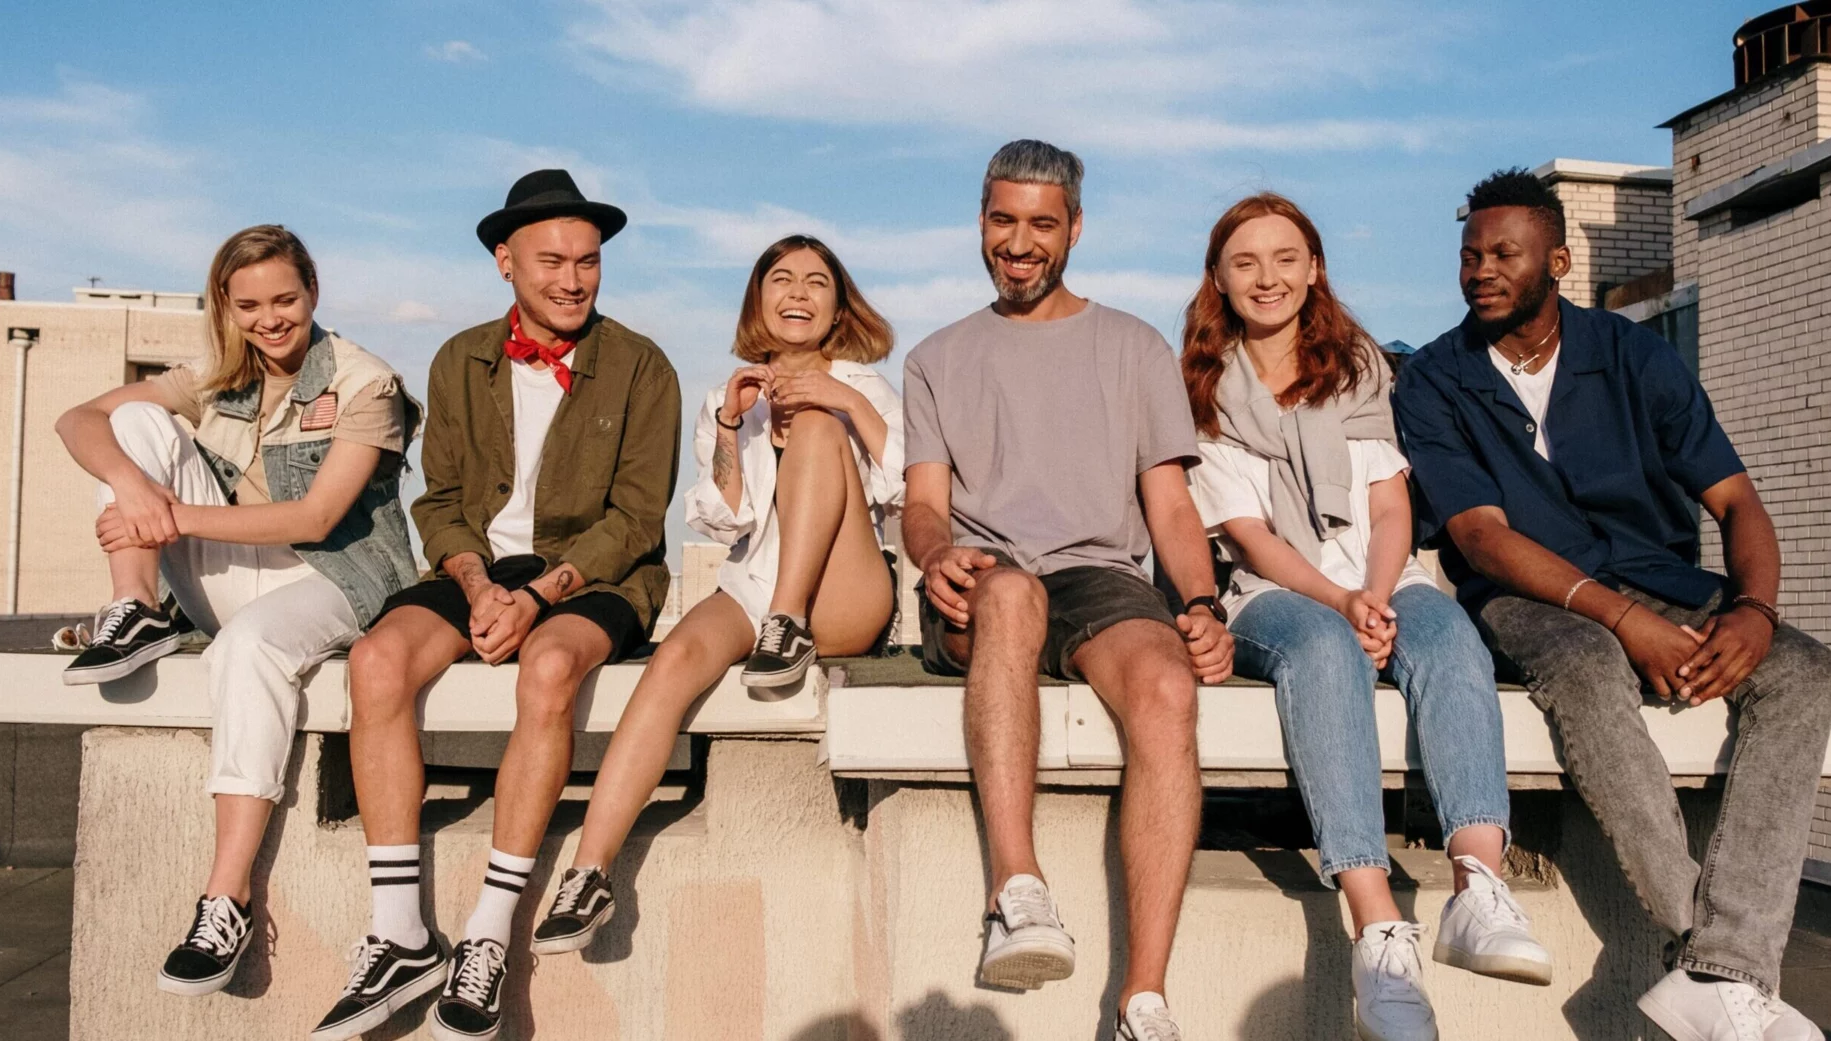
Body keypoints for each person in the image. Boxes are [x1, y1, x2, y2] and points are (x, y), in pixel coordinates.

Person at [1394, 168, 1831, 1041]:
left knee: (1804, 668)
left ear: (1555, 259)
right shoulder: (1435, 379)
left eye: (1504, 254)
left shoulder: (1635, 355)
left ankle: (1722, 968)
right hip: (1528, 596)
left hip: (1663, 578)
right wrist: (1625, 620)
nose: (1481, 270)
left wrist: (1753, 611)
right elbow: (1481, 537)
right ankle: (1708, 960)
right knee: (1591, 662)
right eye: (1468, 255)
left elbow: (1739, 503)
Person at [309, 170, 681, 1041]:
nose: (573, 278)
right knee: (376, 660)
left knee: (548, 666)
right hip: (485, 566)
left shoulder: (642, 364)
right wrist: (478, 584)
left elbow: (637, 518)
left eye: (588, 261)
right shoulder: (458, 357)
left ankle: (488, 931)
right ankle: (399, 931)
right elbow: (438, 502)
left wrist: (541, 593)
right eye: (551, 260)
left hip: (599, 574)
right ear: (504, 261)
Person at [1179, 193, 1550, 1041]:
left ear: (1314, 268)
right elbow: (1248, 537)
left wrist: (1377, 594)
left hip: (1378, 574)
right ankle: (1378, 929)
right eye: (1246, 263)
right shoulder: (1203, 389)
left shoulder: (1360, 368)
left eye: (1285, 258)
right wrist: (1340, 602)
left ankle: (1476, 885)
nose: (1267, 277)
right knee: (1323, 653)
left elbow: (1390, 509)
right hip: (1273, 592)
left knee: (1451, 635)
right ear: (1220, 281)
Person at [902, 139, 1230, 1041]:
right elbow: (924, 507)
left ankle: (1143, 1001)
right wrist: (935, 556)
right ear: (981, 222)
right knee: (1010, 596)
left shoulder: (1133, 345)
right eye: (1003, 220)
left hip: (1098, 574)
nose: (1020, 241)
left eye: (1042, 223)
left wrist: (1200, 604)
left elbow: (1169, 504)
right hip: (988, 572)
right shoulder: (936, 357)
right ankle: (1017, 892)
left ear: (1074, 228)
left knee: (1167, 686)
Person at [54, 225, 420, 998]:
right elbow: (75, 421)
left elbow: (316, 519)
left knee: (248, 647)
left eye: (285, 298)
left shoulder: (365, 382)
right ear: (227, 304)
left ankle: (226, 897)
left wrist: (170, 518)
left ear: (313, 290)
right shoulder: (220, 375)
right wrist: (139, 489)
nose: (270, 318)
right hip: (237, 565)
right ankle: (135, 608)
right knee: (131, 426)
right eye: (249, 304)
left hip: (337, 576)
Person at [530, 234, 902, 953]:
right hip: (754, 584)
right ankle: (589, 870)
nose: (798, 293)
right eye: (782, 279)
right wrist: (733, 422)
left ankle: (788, 624)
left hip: (844, 592)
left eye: (817, 282)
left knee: (821, 428)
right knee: (673, 663)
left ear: (838, 305)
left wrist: (841, 399)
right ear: (758, 299)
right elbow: (725, 517)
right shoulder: (726, 400)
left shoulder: (865, 384)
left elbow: (909, 486)